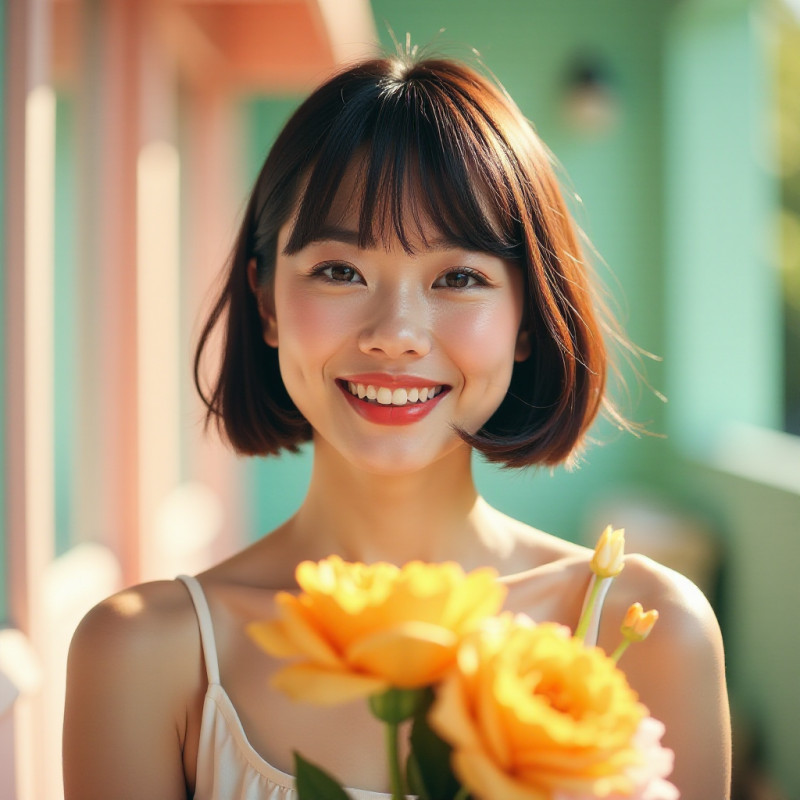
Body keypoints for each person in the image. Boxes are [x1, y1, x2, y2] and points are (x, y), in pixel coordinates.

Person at [63, 55, 731, 799]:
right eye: (339, 271)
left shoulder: (648, 633)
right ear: (267, 302)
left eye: (459, 278)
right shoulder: (144, 656)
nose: (396, 333)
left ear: (526, 319)